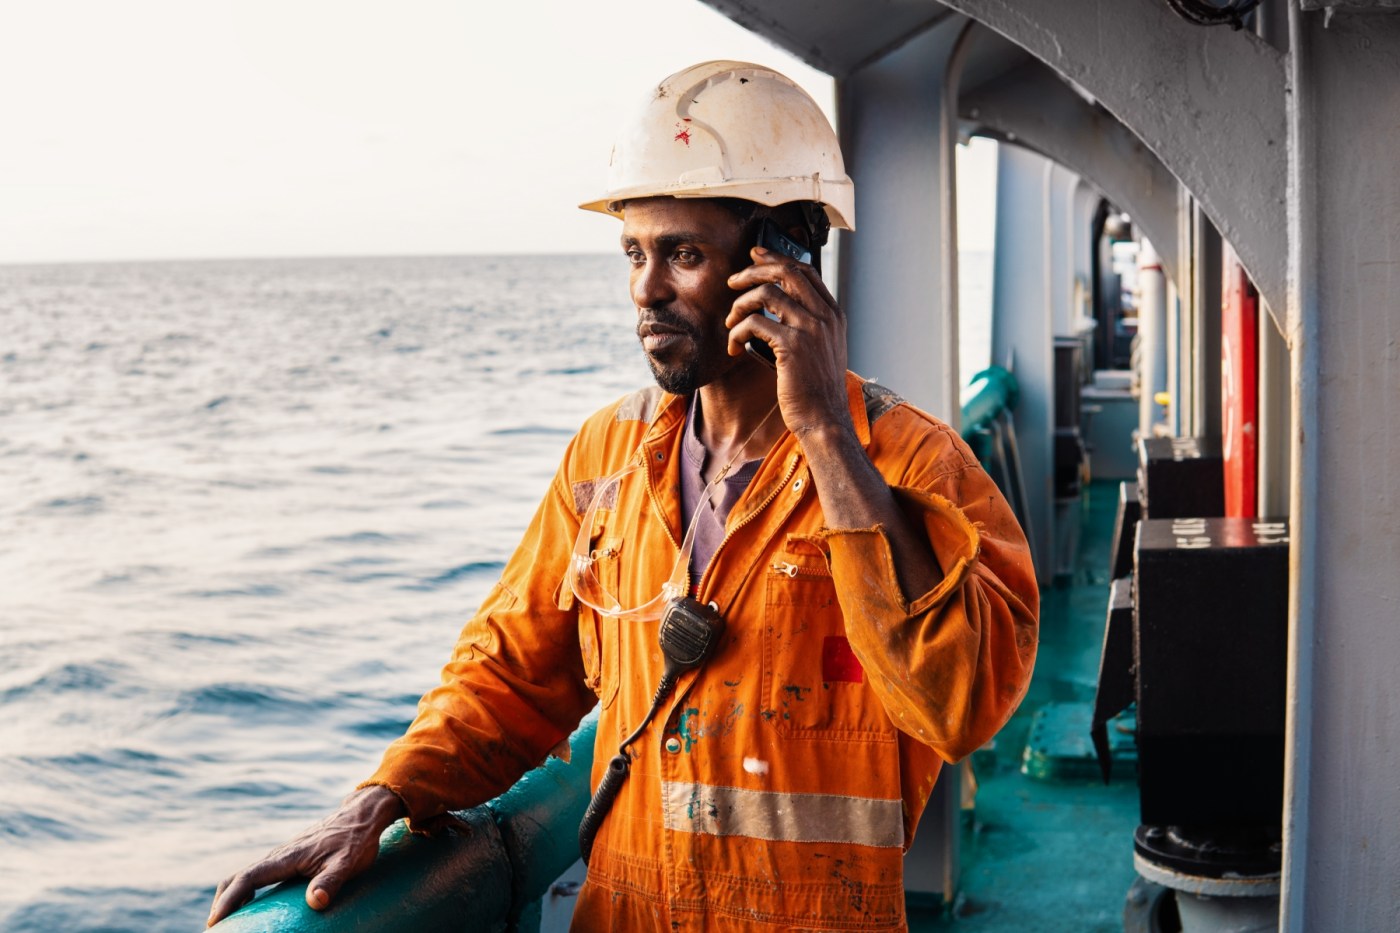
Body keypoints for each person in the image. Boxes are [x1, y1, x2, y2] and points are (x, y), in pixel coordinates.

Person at [208, 60, 1038, 931]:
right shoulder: (608, 455)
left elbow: (960, 703)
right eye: (634, 253)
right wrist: (384, 794)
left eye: (682, 254)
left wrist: (826, 432)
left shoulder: (909, 462)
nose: (645, 289)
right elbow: (510, 668)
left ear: (785, 261)